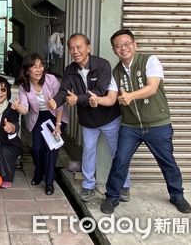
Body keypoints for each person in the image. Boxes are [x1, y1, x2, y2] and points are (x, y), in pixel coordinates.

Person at [100, 29, 191, 214]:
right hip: (130, 126)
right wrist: (95, 100)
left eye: (126, 44)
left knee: (167, 162)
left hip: (158, 124)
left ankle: (177, 195)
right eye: (118, 46)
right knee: (120, 160)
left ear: (135, 45)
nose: (123, 48)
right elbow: (111, 98)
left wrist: (130, 96)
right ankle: (112, 196)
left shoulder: (150, 61)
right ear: (114, 49)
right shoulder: (116, 72)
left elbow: (152, 87)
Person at [47, 33, 131, 202]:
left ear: (88, 47)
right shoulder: (70, 70)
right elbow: (64, 91)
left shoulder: (102, 65)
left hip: (109, 118)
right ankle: (88, 185)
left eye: (79, 47)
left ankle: (124, 185)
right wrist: (55, 102)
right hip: (87, 120)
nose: (75, 51)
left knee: (118, 153)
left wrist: (78, 99)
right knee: (88, 152)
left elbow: (101, 91)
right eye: (71, 48)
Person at [11, 53, 68, 195]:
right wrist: (18, 108)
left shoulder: (51, 80)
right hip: (38, 117)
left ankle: (49, 182)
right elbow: (25, 109)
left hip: (56, 116)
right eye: (34, 66)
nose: (38, 69)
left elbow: (60, 103)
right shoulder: (24, 86)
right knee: (36, 148)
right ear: (27, 70)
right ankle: (39, 171)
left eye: (40, 65)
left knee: (51, 149)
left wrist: (58, 125)